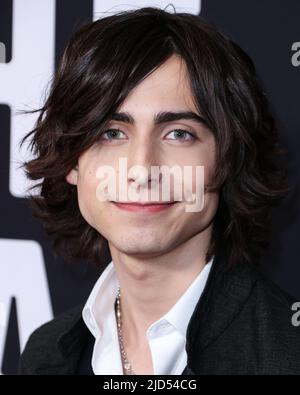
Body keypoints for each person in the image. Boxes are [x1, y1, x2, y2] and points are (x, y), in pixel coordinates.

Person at [18, 6, 300, 375]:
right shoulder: (46, 354)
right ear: (72, 163)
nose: (141, 170)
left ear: (227, 159)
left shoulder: (287, 355)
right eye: (111, 133)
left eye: (179, 134)